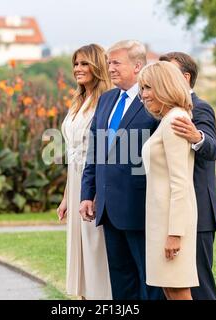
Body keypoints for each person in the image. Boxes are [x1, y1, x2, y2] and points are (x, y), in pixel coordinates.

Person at [79, 40, 164, 300]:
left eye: (116, 63)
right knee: (121, 278)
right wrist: (87, 193)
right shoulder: (107, 100)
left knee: (149, 279)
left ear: (137, 66)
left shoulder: (154, 99)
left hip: (140, 205)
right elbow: (94, 151)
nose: (110, 69)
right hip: (107, 207)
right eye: (108, 63)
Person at [159, 52, 216, 300]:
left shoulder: (200, 108)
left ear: (185, 78)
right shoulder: (164, 113)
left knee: (199, 285)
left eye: (168, 73)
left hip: (198, 213)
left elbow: (213, 149)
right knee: (172, 285)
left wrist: (197, 138)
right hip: (172, 212)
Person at [139, 61, 199, 300]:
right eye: (142, 88)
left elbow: (180, 182)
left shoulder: (175, 120)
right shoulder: (167, 119)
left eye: (148, 88)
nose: (143, 95)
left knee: (177, 288)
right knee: (168, 287)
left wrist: (175, 233)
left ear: (165, 86)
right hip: (159, 220)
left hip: (171, 223)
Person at [57, 44, 112, 300]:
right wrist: (67, 196)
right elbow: (72, 155)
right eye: (76, 64)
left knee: (95, 247)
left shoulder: (106, 100)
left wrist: (97, 191)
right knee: (78, 247)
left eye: (84, 64)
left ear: (97, 66)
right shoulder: (78, 100)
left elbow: (104, 151)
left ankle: (102, 297)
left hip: (95, 181)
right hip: (75, 179)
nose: (78, 69)